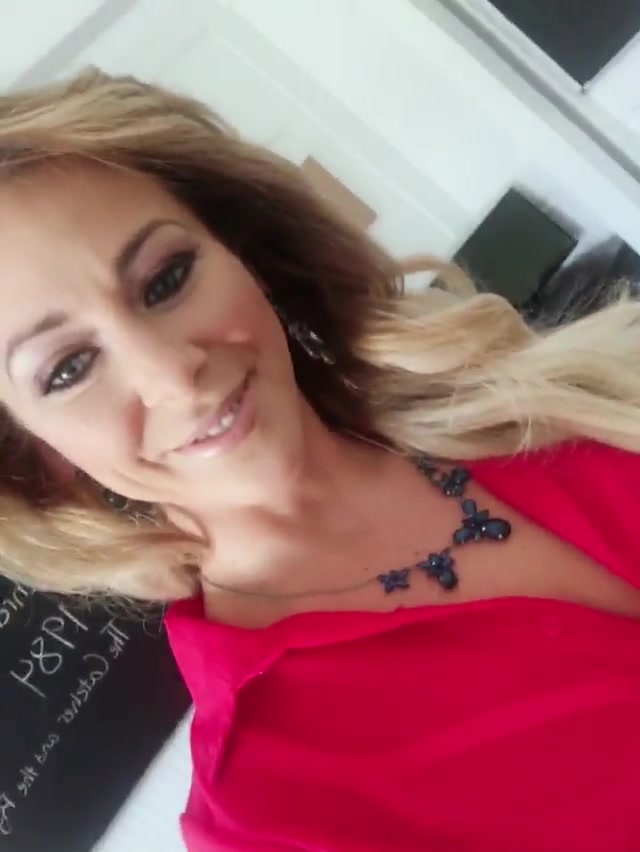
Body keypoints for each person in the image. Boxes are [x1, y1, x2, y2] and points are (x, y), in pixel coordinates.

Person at [0, 69, 639, 852]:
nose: (173, 375)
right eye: (67, 369)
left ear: (242, 254)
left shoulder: (530, 390)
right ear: (36, 458)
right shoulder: (267, 816)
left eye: (166, 280)